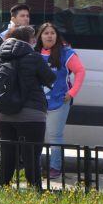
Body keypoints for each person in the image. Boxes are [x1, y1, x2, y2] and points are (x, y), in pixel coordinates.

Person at [0, 26, 56, 189]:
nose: (35, 41)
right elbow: (50, 78)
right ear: (29, 40)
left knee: (7, 153)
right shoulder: (34, 57)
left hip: (3, 113)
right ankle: (34, 189)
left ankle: (2, 187)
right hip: (32, 114)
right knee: (31, 155)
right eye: (33, 39)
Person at [34, 22, 86, 179]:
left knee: (55, 136)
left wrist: (72, 92)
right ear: (40, 36)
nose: (50, 36)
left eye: (52, 33)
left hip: (59, 101)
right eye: (46, 33)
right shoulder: (33, 52)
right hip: (37, 103)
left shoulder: (66, 52)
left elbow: (80, 71)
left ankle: (55, 168)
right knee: (36, 136)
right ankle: (35, 167)